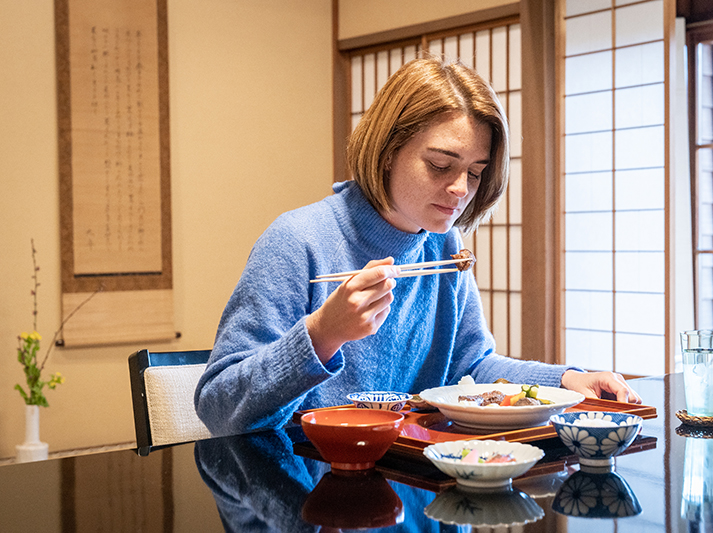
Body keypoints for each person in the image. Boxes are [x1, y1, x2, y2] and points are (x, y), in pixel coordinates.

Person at [195, 56, 640, 436]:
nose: (459, 190)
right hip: (310, 491)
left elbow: (473, 365)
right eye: (440, 164)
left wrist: (566, 379)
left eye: (474, 172)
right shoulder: (299, 241)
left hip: (420, 487)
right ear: (388, 150)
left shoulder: (444, 244)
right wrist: (322, 334)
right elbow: (218, 406)